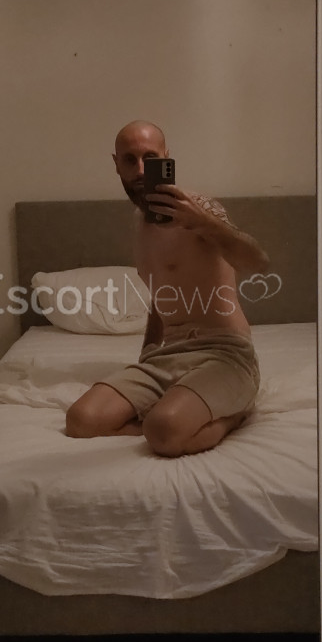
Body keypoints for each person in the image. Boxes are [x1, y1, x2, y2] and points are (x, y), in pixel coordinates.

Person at [65, 120, 270, 456]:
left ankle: (233, 413)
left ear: (166, 158)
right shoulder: (139, 223)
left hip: (225, 353)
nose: (140, 170)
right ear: (116, 164)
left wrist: (203, 223)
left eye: (150, 158)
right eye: (129, 159)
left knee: (163, 431)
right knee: (80, 421)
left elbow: (257, 261)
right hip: (166, 357)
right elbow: (162, 295)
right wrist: (148, 351)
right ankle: (176, 414)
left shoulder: (199, 208)